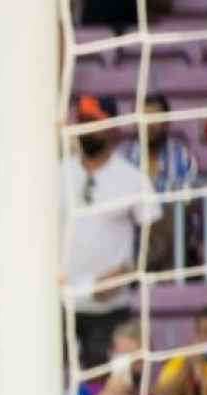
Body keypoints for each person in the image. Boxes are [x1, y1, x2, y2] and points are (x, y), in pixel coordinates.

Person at [64, 95, 160, 370]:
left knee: (107, 390)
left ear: (113, 128)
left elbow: (159, 242)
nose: (87, 128)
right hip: (59, 303)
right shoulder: (57, 173)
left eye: (94, 122)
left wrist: (127, 273)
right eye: (83, 121)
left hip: (109, 308)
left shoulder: (132, 179)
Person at [124, 94, 199, 271]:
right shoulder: (126, 159)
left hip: (173, 227)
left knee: (171, 218)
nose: (149, 125)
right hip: (136, 227)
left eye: (155, 119)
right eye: (144, 118)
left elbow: (188, 203)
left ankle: (140, 271)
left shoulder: (182, 156)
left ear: (166, 123)